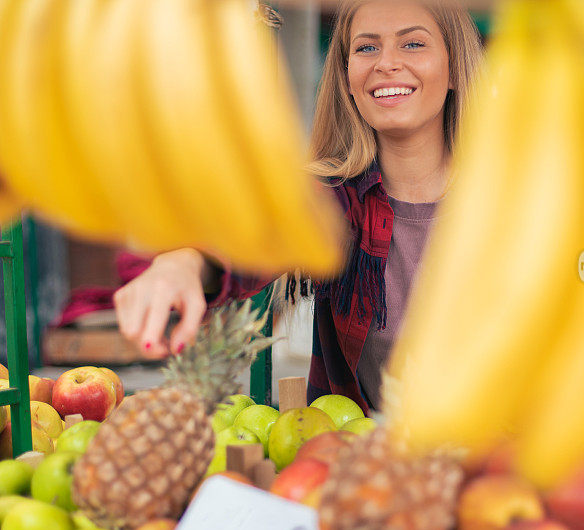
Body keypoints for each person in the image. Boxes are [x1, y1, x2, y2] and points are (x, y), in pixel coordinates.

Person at [113, 0, 483, 413]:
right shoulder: (334, 198)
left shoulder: (512, 201)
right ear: (346, 79)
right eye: (366, 48)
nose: (386, 63)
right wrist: (185, 262)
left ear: (454, 67)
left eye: (413, 44)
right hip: (359, 464)